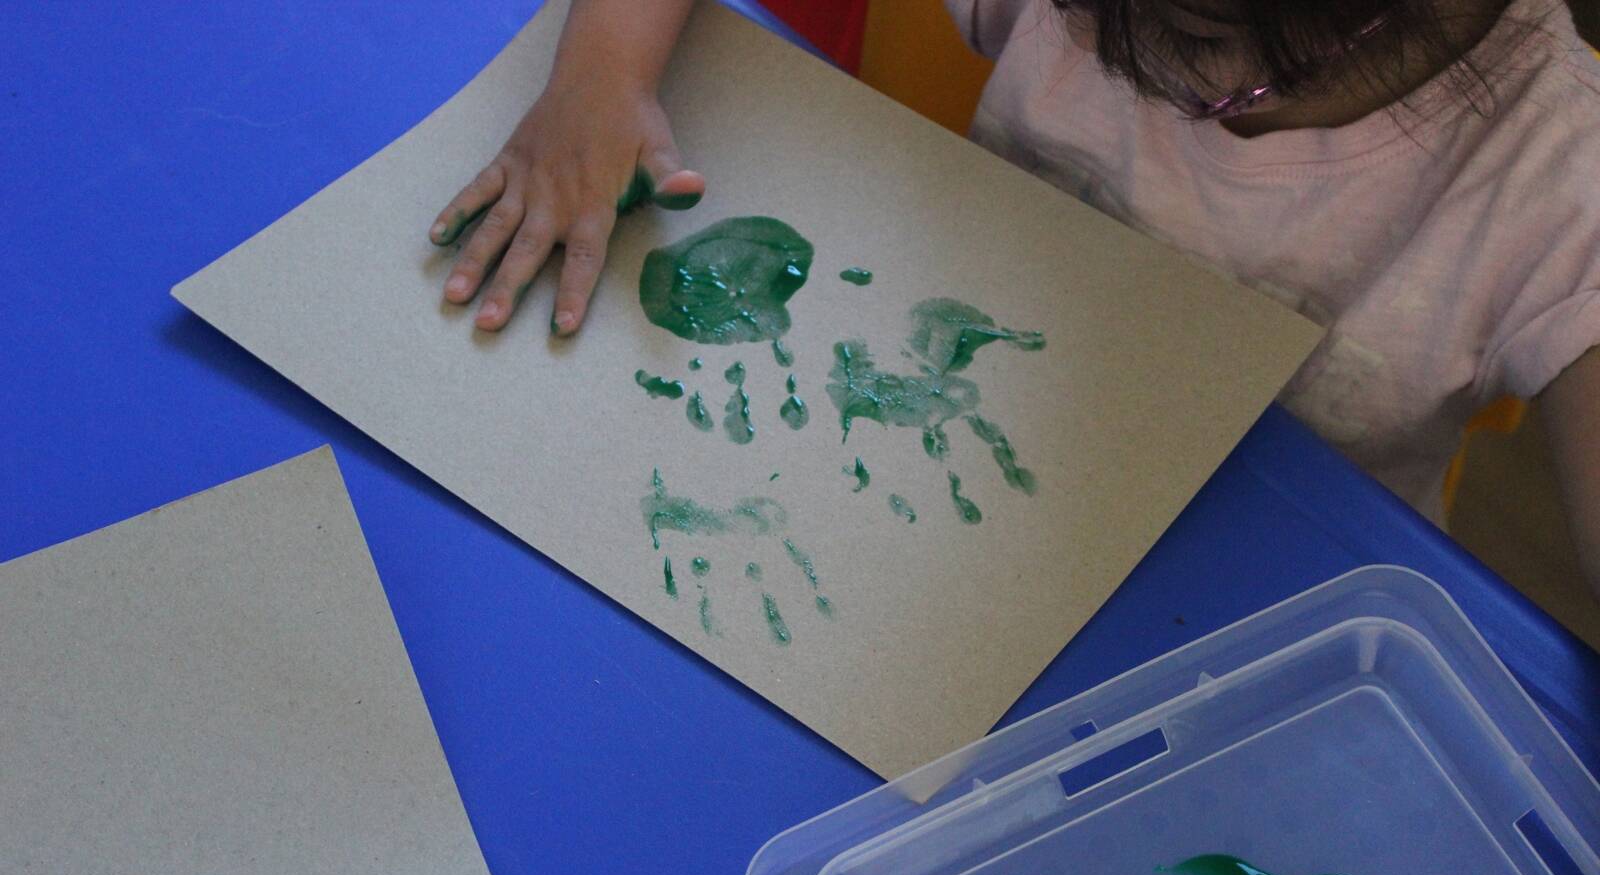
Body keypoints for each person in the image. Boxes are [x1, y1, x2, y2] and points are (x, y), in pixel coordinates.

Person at [429, 0, 1600, 598]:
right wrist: (601, 74)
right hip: (934, 530)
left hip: (1245, 616)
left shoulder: (1556, 173)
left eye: (1190, 37)